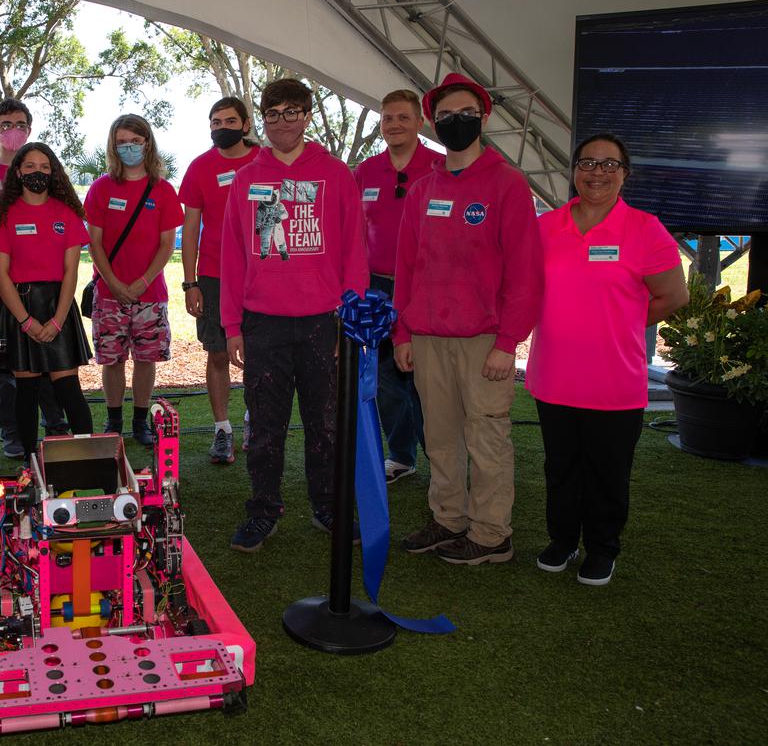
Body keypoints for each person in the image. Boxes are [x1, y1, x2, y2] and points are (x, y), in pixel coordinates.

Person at [393, 72, 544, 566]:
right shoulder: (422, 189)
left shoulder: (507, 183)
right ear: (432, 123)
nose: (456, 122)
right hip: (429, 337)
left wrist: (508, 342)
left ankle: (492, 532)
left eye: (465, 114)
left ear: (484, 117)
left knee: (486, 437)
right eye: (446, 116)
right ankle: (449, 518)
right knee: (439, 436)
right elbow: (406, 268)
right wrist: (404, 331)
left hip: (484, 341)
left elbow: (525, 271)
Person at [526, 133, 686, 585]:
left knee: (607, 471)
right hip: (554, 374)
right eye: (588, 163)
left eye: (609, 165)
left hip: (615, 378)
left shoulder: (644, 229)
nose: (597, 173)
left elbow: (673, 295)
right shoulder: (546, 227)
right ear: (574, 170)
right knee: (561, 467)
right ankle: (562, 540)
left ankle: (602, 548)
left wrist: (621, 320)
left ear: (624, 174)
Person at [221, 78, 368, 552]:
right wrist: (232, 325)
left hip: (324, 321)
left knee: (326, 423)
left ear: (308, 115)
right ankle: (263, 510)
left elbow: (353, 253)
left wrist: (354, 319)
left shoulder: (335, 174)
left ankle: (328, 505)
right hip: (263, 323)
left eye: (293, 111)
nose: (284, 120)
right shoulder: (247, 178)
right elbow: (232, 255)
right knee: (265, 425)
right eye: (274, 112)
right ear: (261, 120)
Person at [0, 98, 68, 458]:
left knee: (44, 360)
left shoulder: (38, 168)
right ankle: (11, 431)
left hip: (38, 293)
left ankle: (56, 425)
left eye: (21, 124)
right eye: (7, 124)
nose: (14, 131)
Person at [0, 142, 94, 457]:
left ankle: (88, 459)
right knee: (26, 392)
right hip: (20, 309)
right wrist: (26, 321)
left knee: (69, 390)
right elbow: (1, 275)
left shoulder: (67, 212)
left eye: (44, 167)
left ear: (53, 172)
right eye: (30, 167)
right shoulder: (3, 215)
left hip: (58, 308)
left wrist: (58, 319)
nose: (37, 173)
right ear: (17, 172)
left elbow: (71, 271)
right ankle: (30, 466)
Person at [353, 89, 443, 484]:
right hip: (375, 289)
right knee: (385, 380)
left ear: (420, 122)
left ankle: (441, 461)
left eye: (403, 117)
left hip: (425, 287)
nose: (394, 125)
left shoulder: (440, 166)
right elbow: (352, 230)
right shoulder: (366, 171)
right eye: (388, 118)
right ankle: (401, 456)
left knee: (425, 380)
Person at [85, 114, 185, 447]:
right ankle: (113, 421)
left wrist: (143, 281)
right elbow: (95, 243)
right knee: (112, 360)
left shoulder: (163, 190)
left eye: (136, 141)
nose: (129, 148)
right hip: (109, 293)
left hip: (150, 293)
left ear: (148, 143)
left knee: (146, 359)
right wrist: (112, 282)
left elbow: (167, 244)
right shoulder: (101, 188)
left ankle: (141, 420)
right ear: (114, 146)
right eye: (122, 142)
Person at [179, 97, 259, 464]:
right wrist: (190, 282)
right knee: (218, 352)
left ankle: (254, 420)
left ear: (245, 125)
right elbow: (191, 227)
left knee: (261, 353)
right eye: (214, 122)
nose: (220, 127)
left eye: (228, 120)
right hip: (214, 276)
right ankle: (222, 429)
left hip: (262, 274)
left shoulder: (264, 161)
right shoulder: (199, 168)